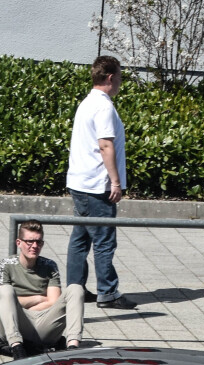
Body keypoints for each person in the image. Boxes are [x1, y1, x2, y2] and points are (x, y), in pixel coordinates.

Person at [65, 54, 134, 310]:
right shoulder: (104, 106)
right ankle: (108, 292)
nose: (120, 82)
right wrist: (115, 182)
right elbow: (105, 145)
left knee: (81, 238)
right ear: (109, 77)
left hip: (80, 181)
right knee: (104, 239)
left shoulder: (86, 102)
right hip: (96, 184)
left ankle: (75, 290)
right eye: (119, 77)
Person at [0, 219, 85, 359]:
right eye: (29, 241)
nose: (34, 246)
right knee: (6, 291)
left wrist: (17, 303)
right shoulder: (5, 265)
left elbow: (53, 302)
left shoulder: (49, 265)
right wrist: (38, 298)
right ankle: (17, 348)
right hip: (15, 325)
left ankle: (72, 347)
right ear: (19, 243)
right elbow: (2, 300)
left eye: (38, 242)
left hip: (44, 323)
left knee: (76, 289)